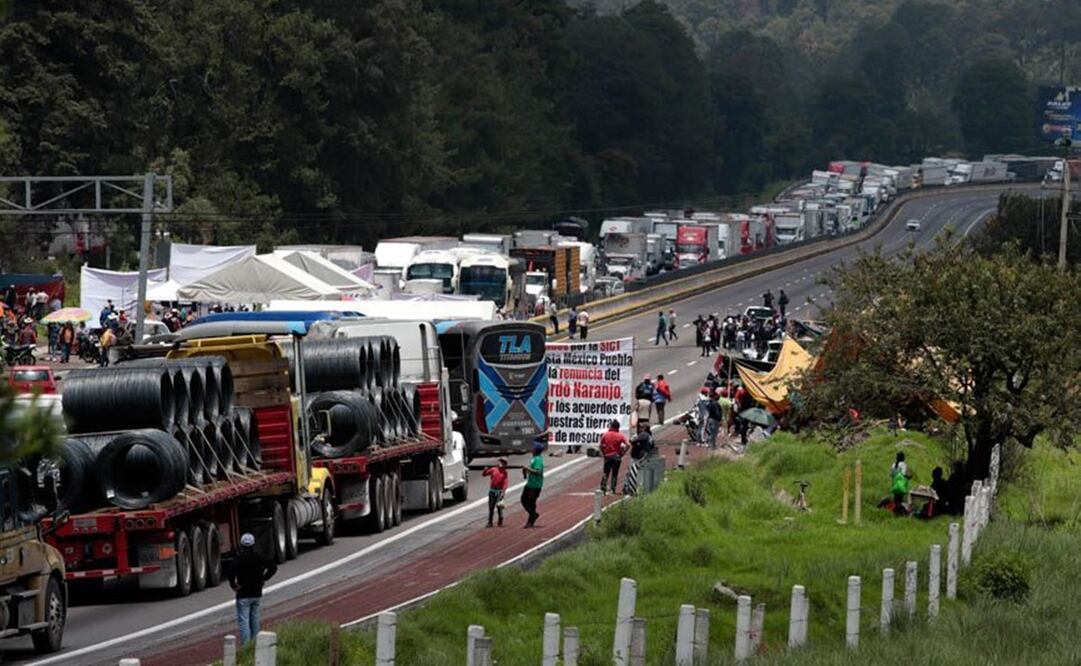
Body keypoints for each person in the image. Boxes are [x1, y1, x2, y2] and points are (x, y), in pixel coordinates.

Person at [227, 532, 277, 645]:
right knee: (255, 619)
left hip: (243, 594)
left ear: (241, 545)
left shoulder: (239, 559)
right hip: (256, 593)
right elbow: (273, 567)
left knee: (244, 621)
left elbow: (230, 571)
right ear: (253, 544)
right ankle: (255, 643)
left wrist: (233, 584)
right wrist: (264, 578)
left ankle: (246, 645)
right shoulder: (258, 557)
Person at [623, 425, 654, 495]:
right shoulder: (649, 437)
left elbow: (632, 441)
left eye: (641, 427)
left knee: (632, 472)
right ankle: (630, 487)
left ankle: (629, 488)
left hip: (638, 457)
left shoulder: (643, 435)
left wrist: (634, 440)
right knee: (637, 472)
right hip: (644, 456)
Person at [598, 420, 628, 494]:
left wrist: (603, 453)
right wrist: (623, 453)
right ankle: (613, 489)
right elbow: (628, 444)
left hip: (608, 456)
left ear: (611, 426)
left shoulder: (605, 435)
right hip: (616, 457)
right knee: (615, 473)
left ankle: (603, 487)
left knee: (606, 472)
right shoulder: (620, 435)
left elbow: (600, 446)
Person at [521, 442, 545, 527]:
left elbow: (538, 471)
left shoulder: (538, 459)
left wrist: (528, 468)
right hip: (530, 483)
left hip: (535, 484)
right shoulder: (534, 459)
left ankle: (531, 519)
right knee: (524, 500)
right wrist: (525, 472)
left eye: (533, 448)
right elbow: (531, 470)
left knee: (531, 502)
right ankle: (533, 514)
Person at [482, 458, 509, 527]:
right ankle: (490, 522)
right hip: (492, 491)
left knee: (499, 507)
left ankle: (500, 521)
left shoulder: (504, 472)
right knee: (491, 507)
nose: (501, 464)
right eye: (500, 462)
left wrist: (503, 492)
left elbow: (505, 483)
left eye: (503, 463)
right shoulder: (493, 469)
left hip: (499, 492)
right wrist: (485, 470)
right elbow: (484, 474)